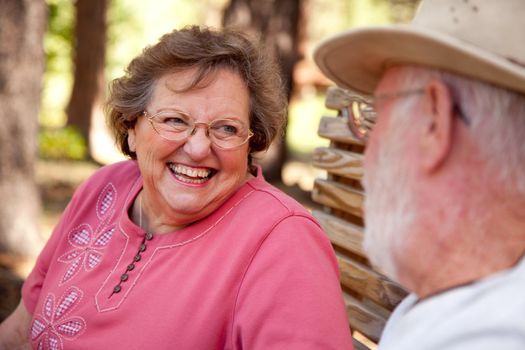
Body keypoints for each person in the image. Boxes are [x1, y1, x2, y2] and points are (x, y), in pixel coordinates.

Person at [0, 26, 353, 349]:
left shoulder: (282, 241)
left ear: (251, 142)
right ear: (132, 128)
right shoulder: (103, 189)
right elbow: (21, 328)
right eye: (174, 120)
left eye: (227, 129)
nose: (199, 148)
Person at [314, 0, 525, 349]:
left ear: (434, 121)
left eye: (378, 114)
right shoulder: (463, 293)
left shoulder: (490, 337)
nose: (366, 152)